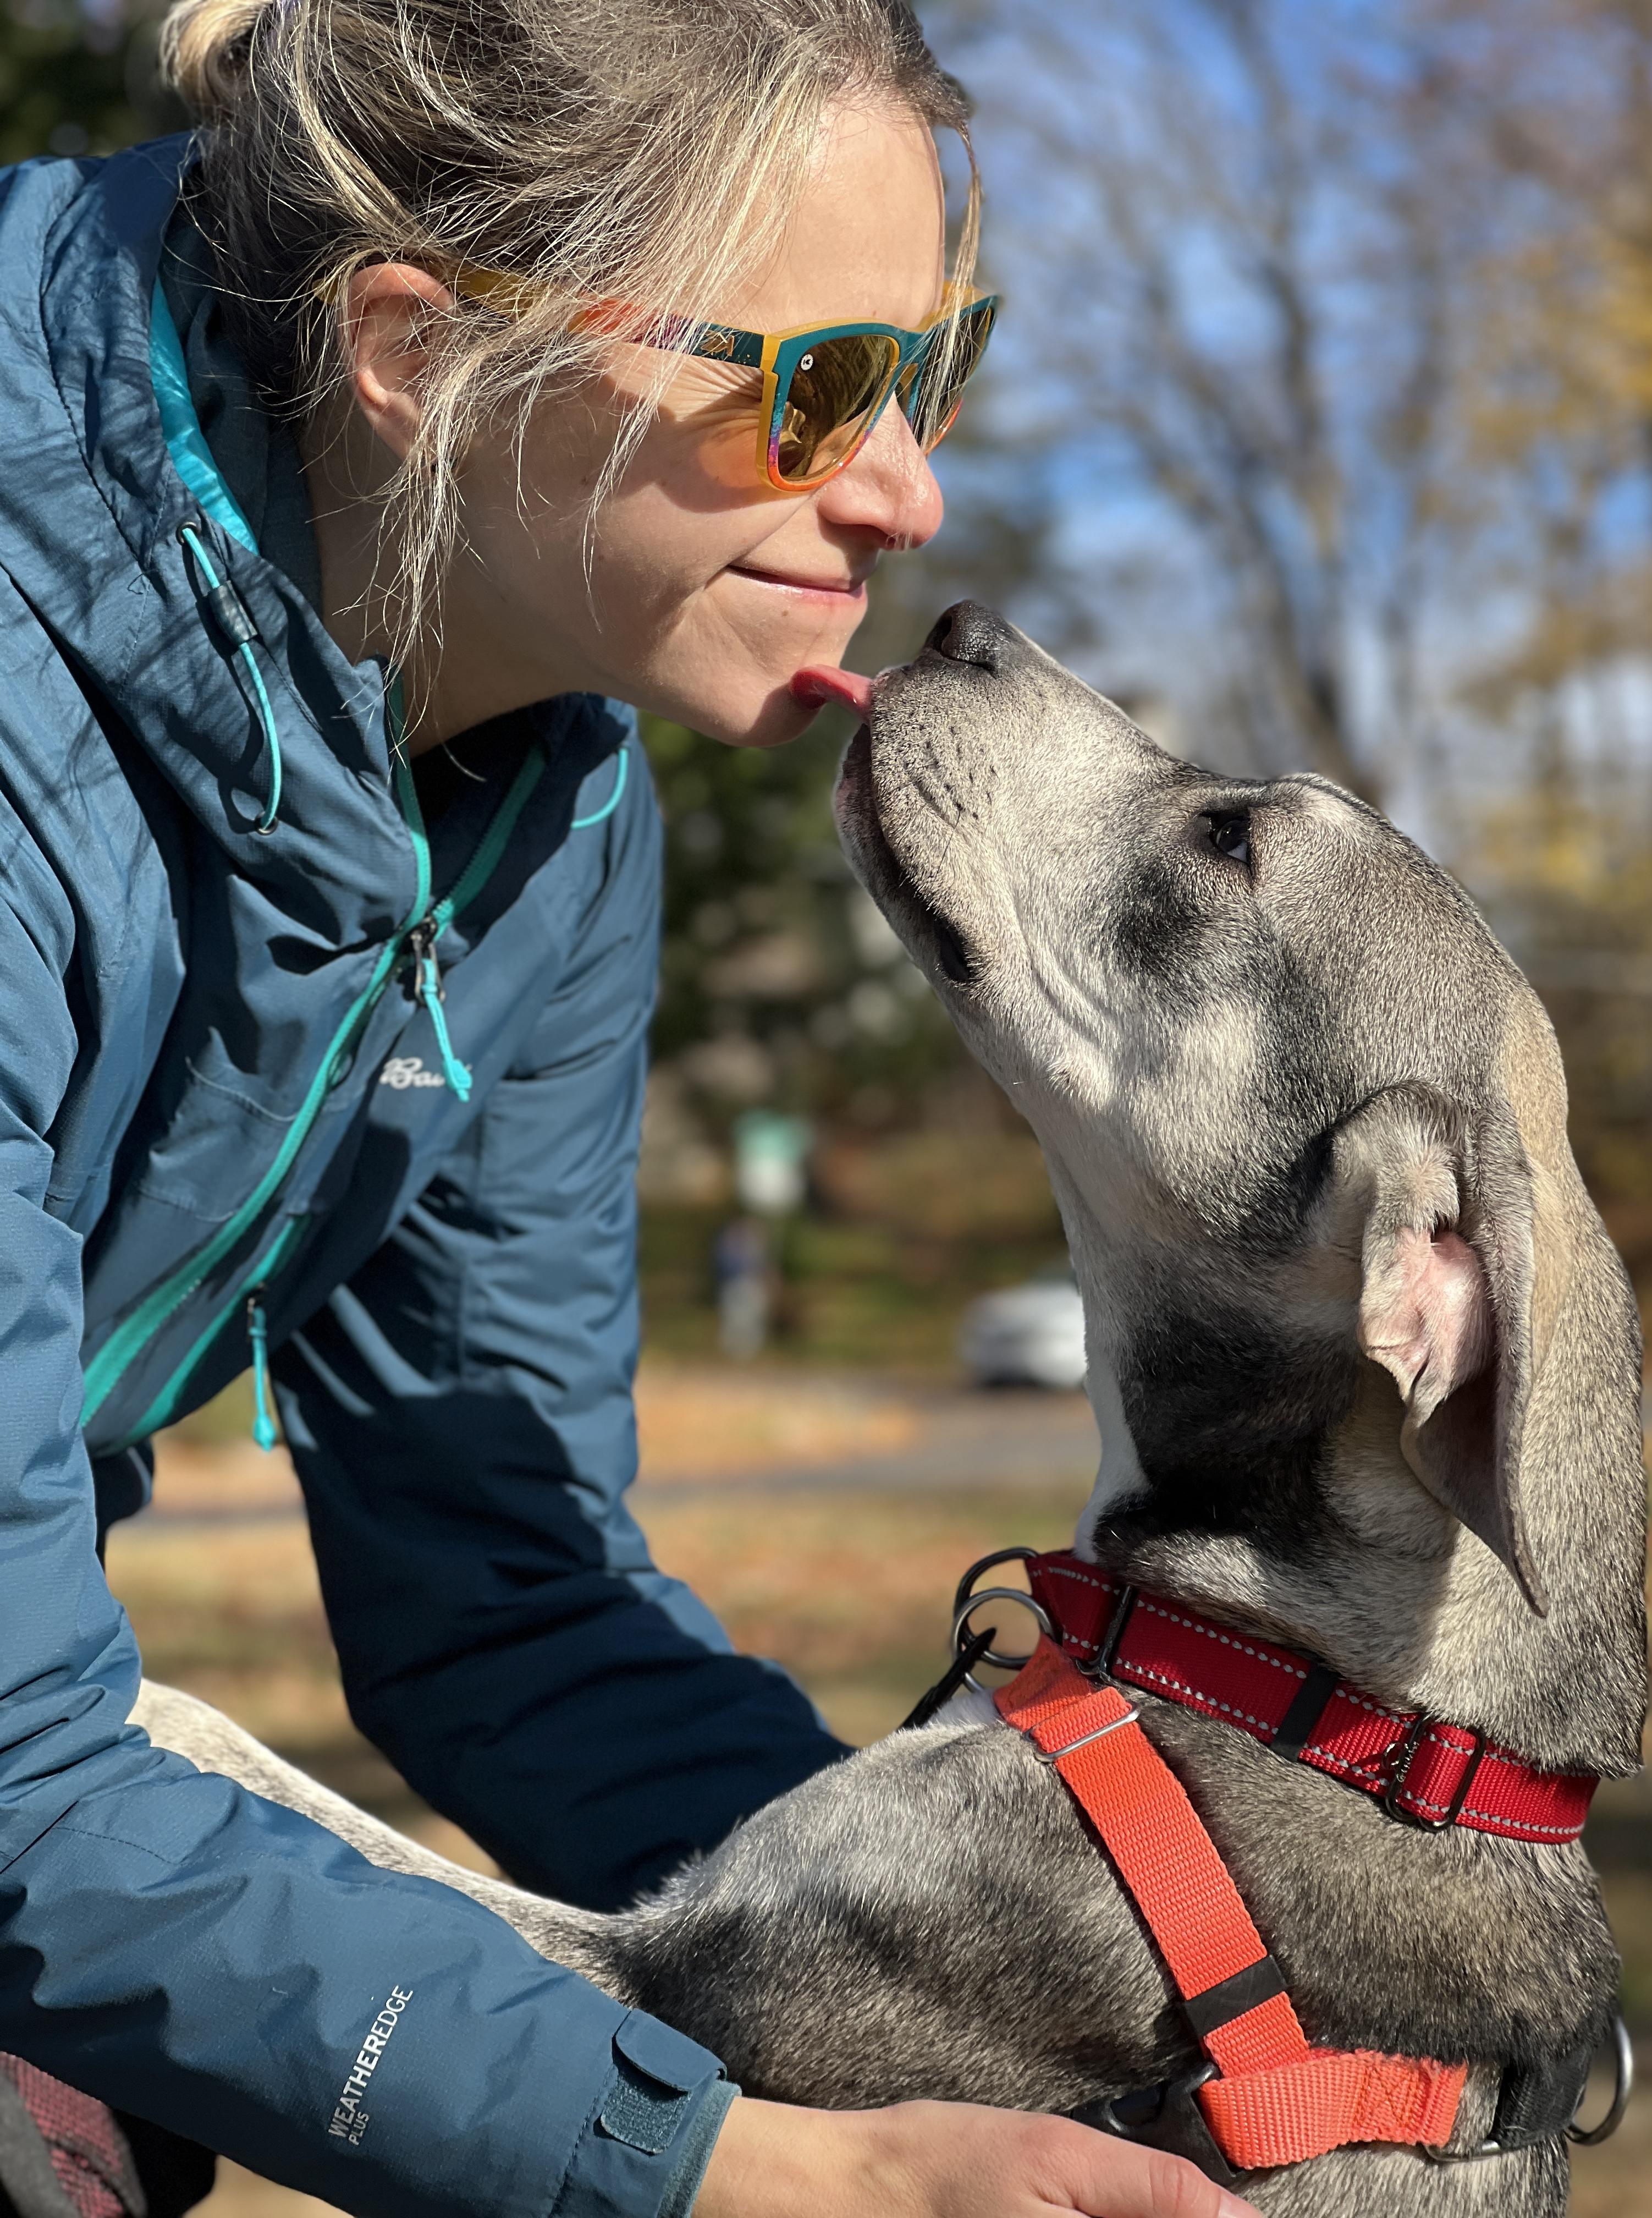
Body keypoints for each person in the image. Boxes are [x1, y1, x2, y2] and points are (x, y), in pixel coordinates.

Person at [0, 1, 1258, 2215]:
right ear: (409, 349)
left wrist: (1030, 2016)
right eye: (814, 391)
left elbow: (503, 1598)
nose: (909, 488)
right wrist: (751, 2175)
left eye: (932, 370)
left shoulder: (548, 812)